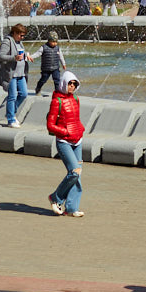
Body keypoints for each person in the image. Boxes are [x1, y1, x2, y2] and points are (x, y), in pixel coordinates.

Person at [46, 71, 86, 218]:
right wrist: (66, 132)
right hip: (64, 142)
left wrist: (80, 129)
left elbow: (76, 119)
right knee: (74, 171)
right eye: (70, 83)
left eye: (75, 84)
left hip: (78, 141)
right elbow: (50, 125)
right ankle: (55, 198)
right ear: (64, 83)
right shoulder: (57, 101)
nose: (73, 86)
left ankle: (71, 208)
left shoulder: (76, 98)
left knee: (78, 175)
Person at [0, 23, 32, 128]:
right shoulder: (7, 42)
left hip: (21, 74)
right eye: (21, 35)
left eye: (23, 35)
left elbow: (21, 55)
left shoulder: (19, 43)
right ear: (14, 33)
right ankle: (11, 119)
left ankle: (10, 112)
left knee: (24, 94)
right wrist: (14, 58)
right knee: (12, 96)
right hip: (11, 74)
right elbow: (1, 56)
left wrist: (26, 56)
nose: (22, 37)